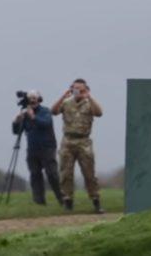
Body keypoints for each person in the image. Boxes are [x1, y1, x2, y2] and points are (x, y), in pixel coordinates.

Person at [51, 78, 104, 213]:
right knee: (66, 173)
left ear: (86, 89)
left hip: (84, 142)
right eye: (76, 89)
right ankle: (68, 201)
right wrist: (64, 95)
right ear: (71, 89)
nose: (78, 91)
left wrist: (89, 96)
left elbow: (99, 113)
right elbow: (54, 111)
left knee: (89, 173)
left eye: (82, 89)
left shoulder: (89, 103)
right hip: (68, 141)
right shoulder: (66, 103)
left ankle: (96, 201)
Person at [12, 90, 66, 207]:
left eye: (34, 98)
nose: (32, 100)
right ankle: (39, 202)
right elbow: (17, 132)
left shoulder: (45, 111)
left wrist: (33, 117)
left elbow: (46, 124)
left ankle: (61, 199)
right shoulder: (25, 115)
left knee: (52, 174)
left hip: (47, 148)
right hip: (32, 149)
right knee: (35, 174)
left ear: (39, 99)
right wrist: (16, 122)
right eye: (30, 98)